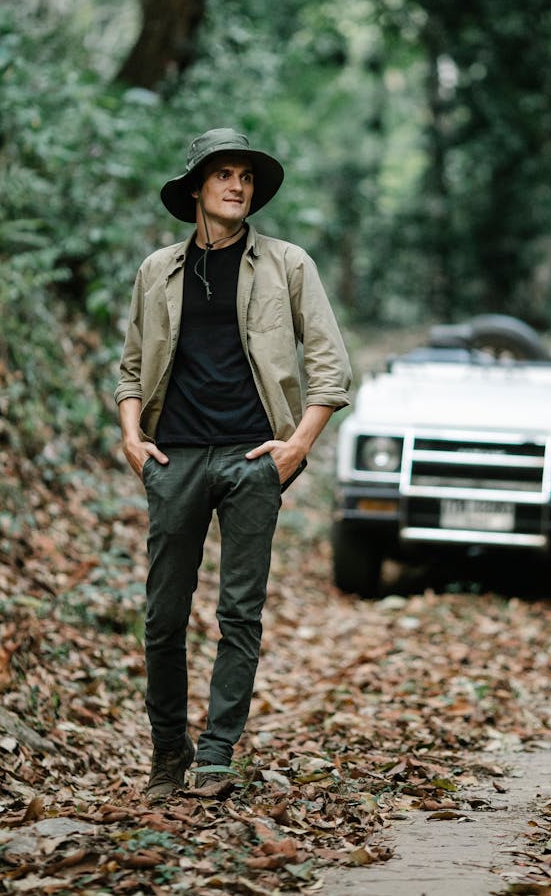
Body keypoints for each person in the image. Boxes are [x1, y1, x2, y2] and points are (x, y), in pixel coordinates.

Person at [115, 127, 351, 802]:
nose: (237, 185)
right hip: (176, 457)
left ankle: (216, 752)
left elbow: (331, 366)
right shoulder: (158, 269)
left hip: (254, 458)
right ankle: (168, 751)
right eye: (223, 174)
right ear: (196, 187)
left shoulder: (287, 264)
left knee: (239, 614)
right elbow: (131, 369)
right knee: (163, 615)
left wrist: (297, 444)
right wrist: (134, 439)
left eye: (245, 175)